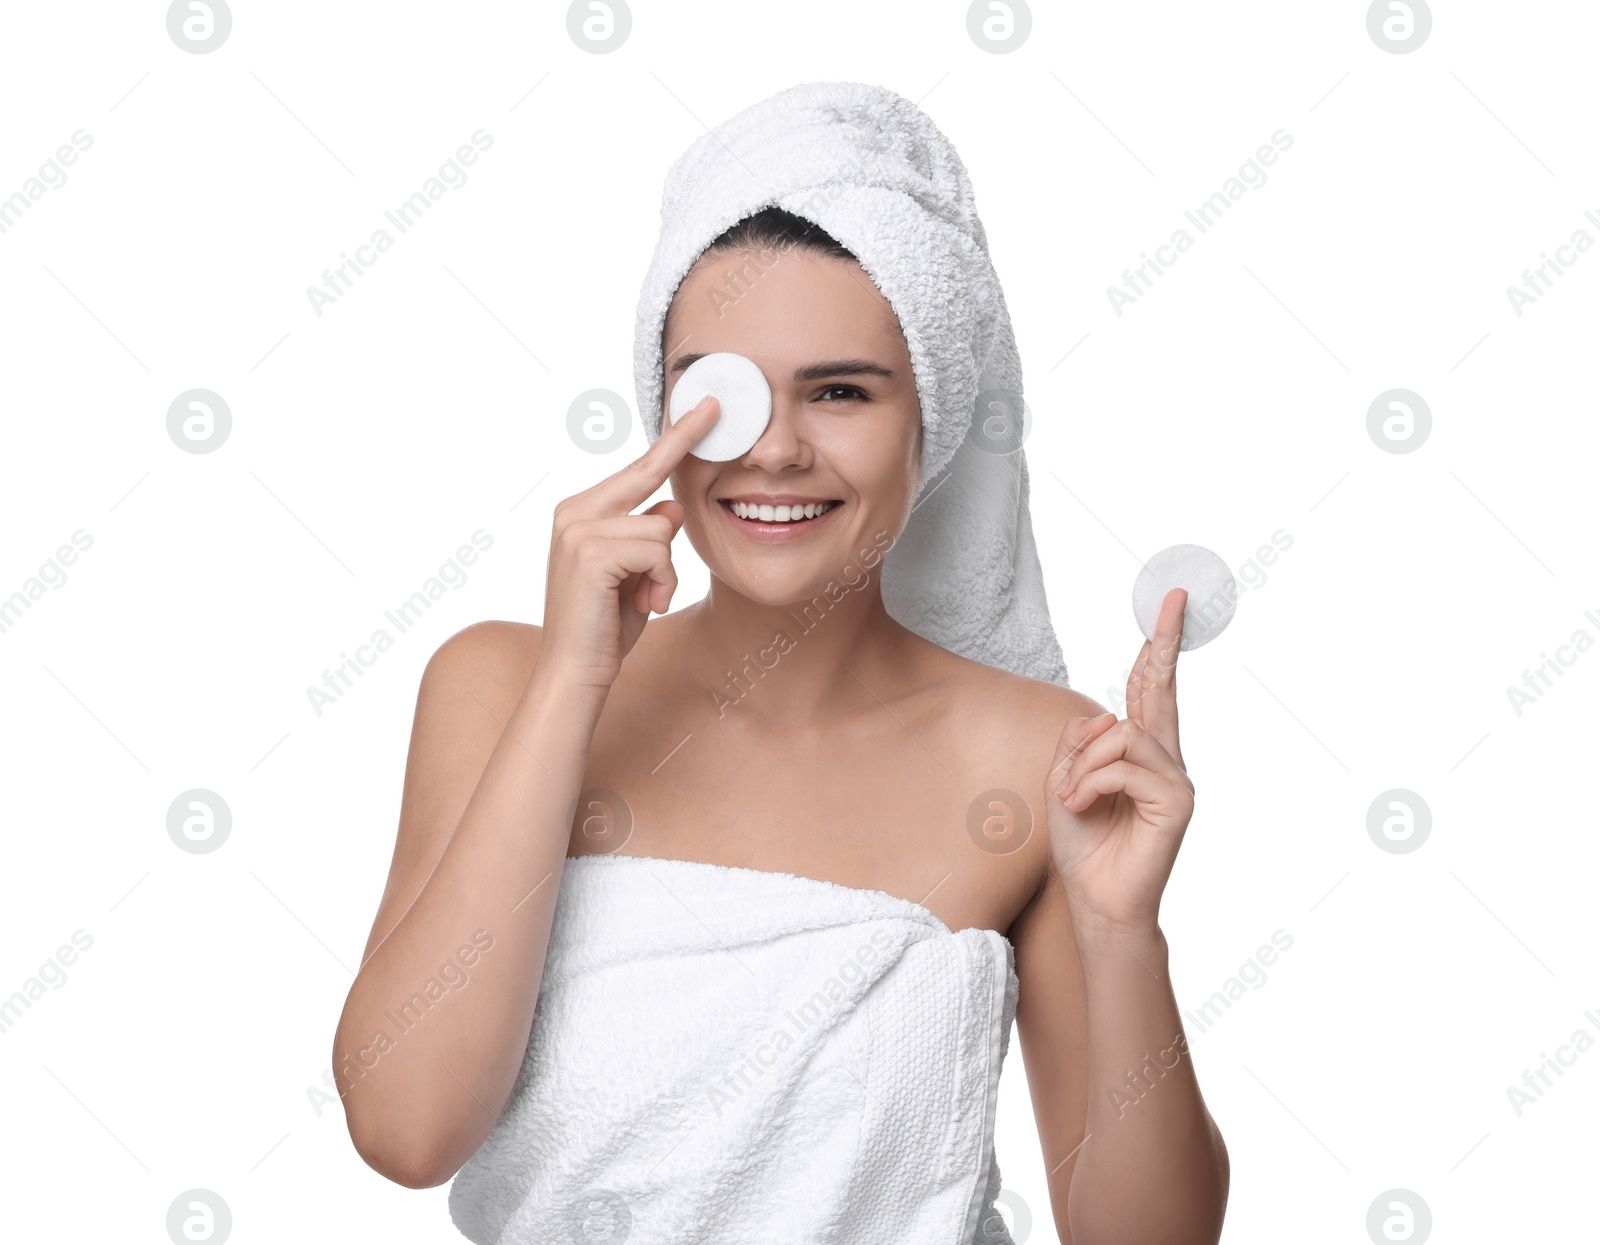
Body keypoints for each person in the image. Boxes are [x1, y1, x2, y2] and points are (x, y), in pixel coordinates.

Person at [333, 85, 1227, 1245]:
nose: (775, 451)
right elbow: (408, 1132)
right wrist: (572, 685)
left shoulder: (1038, 757)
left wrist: (1120, 934)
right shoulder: (499, 684)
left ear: (932, 419)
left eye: (843, 391)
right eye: (722, 395)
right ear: (661, 410)